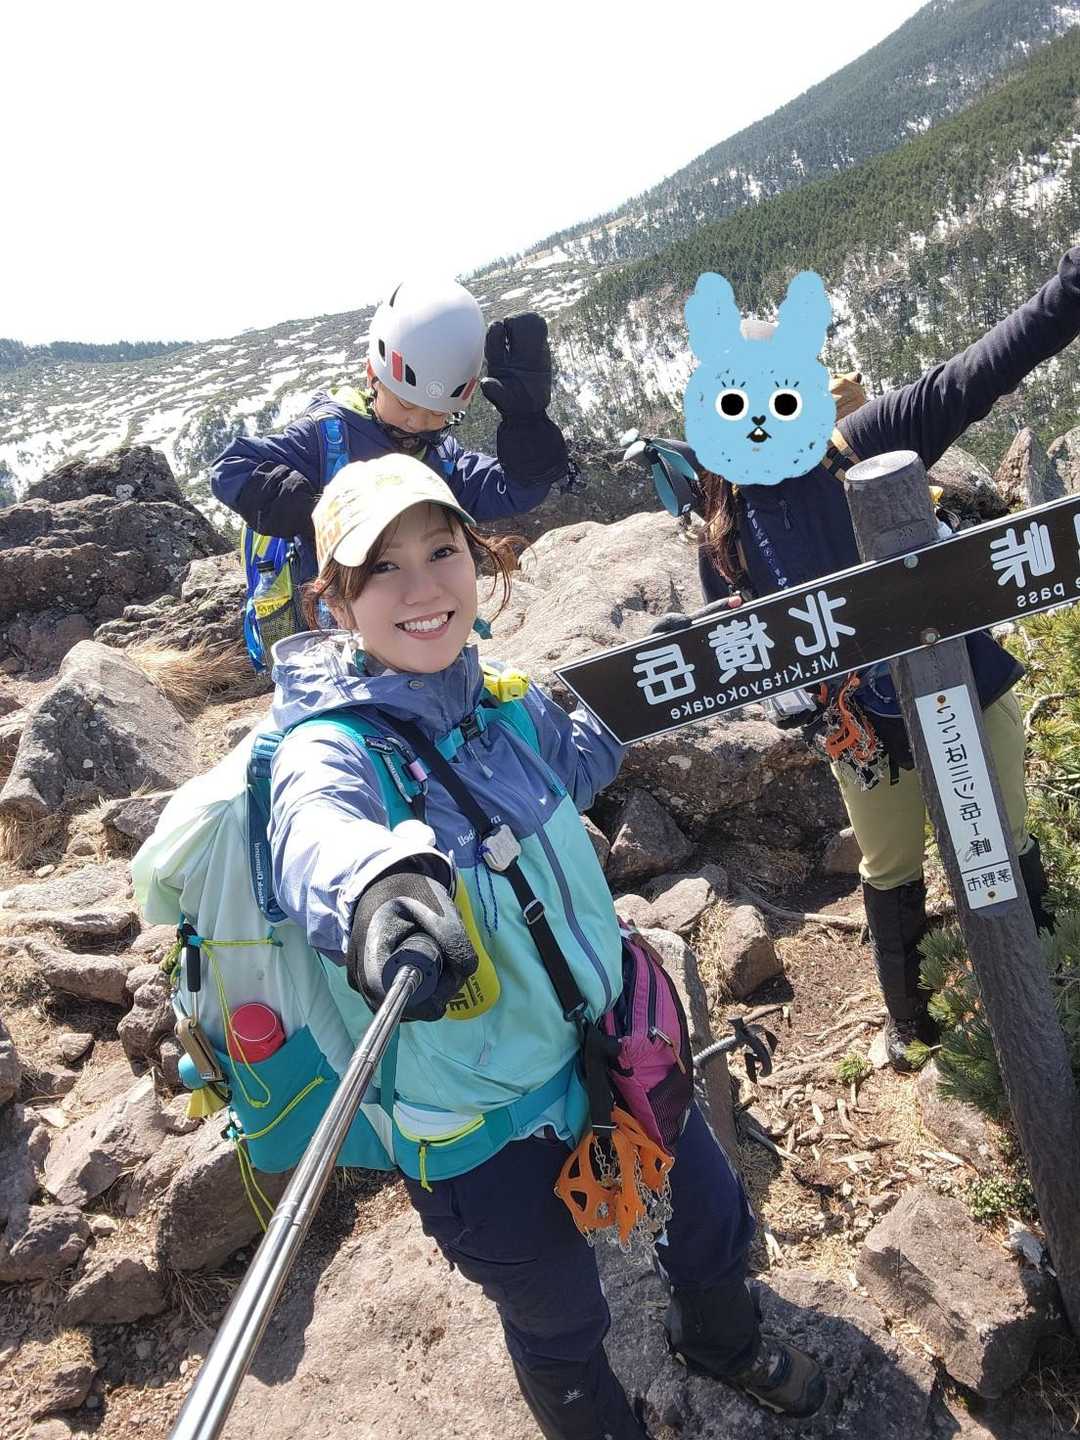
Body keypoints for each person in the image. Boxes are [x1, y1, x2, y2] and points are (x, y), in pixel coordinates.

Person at [265, 453, 827, 1438]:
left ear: (475, 559)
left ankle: (723, 1338)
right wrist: (378, 888)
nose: (422, 586)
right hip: (476, 1125)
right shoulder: (331, 748)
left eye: (441, 550)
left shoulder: (505, 705)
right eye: (382, 568)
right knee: (558, 1312)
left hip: (611, 1041)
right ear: (339, 605)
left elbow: (579, 757)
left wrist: (664, 674)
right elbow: (316, 832)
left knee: (706, 1208)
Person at [656, 247, 1079, 1070]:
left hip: (964, 686)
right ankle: (914, 1025)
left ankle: (1047, 998)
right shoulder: (725, 532)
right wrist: (750, 671)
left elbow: (980, 370)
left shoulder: (866, 442)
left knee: (1004, 835)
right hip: (863, 733)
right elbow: (750, 648)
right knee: (889, 869)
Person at [210, 276, 574, 586]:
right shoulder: (326, 438)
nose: (416, 422)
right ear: (372, 376)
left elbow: (515, 492)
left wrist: (527, 423)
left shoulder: (441, 460)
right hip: (332, 626)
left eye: (436, 414)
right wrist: (305, 508)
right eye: (404, 403)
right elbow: (230, 467)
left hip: (415, 617)